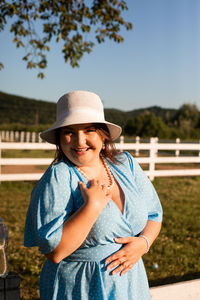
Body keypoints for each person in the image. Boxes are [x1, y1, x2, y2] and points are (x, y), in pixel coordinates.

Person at [24, 90, 162, 300]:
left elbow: (154, 215)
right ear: (59, 138)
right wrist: (92, 207)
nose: (80, 141)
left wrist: (143, 243)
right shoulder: (59, 175)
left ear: (102, 134)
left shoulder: (125, 164)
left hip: (131, 285)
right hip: (82, 287)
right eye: (69, 132)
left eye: (89, 130)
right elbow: (55, 252)